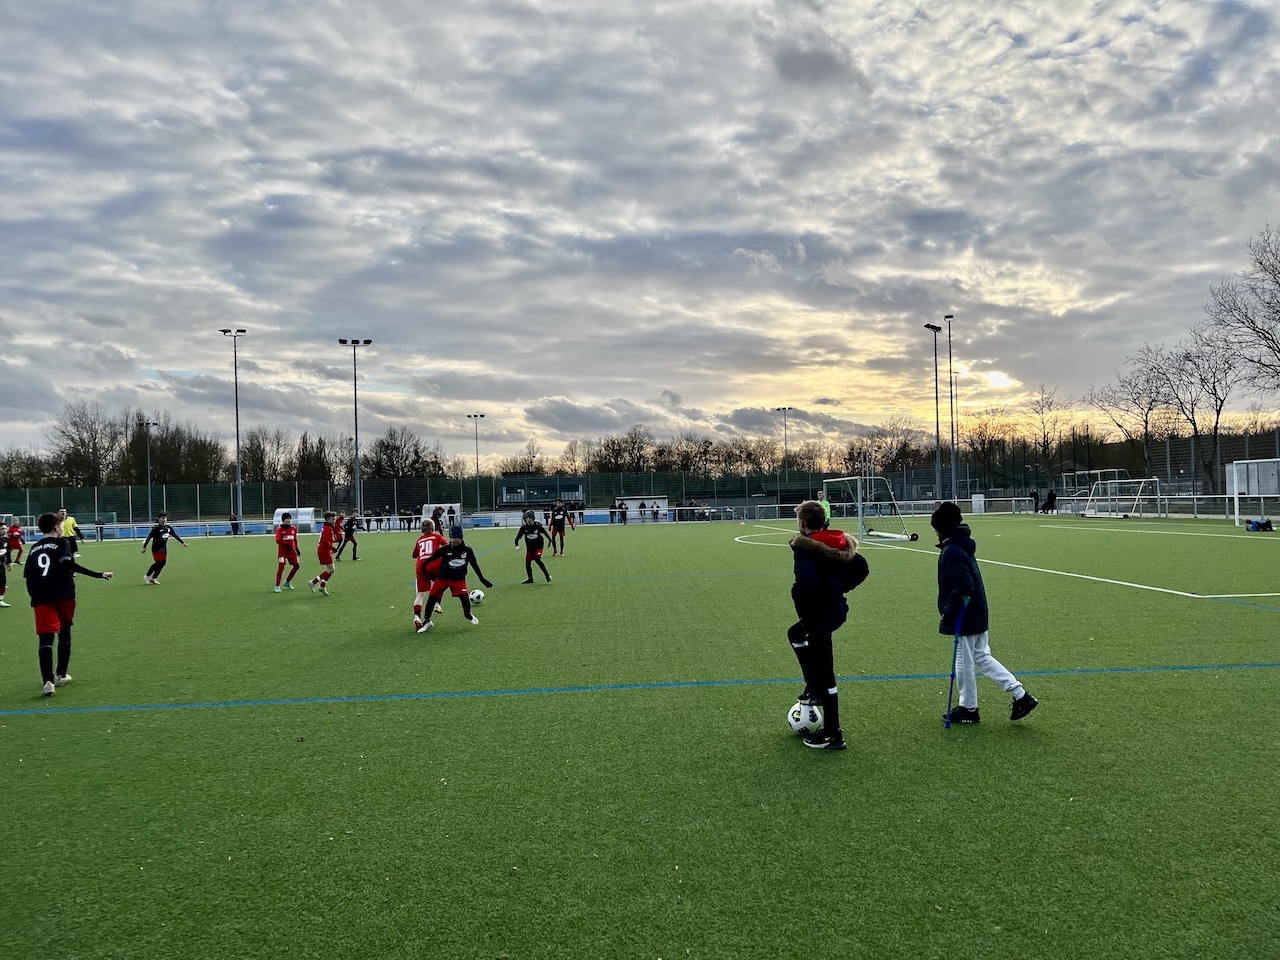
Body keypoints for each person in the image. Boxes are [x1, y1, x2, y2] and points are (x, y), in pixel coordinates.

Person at [931, 501, 1038, 724]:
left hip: (966, 614)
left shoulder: (952, 550)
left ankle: (968, 708)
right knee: (981, 656)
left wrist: (950, 613)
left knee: (964, 663)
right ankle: (1020, 695)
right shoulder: (961, 545)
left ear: (942, 528)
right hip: (976, 611)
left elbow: (963, 585)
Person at [787, 499, 860, 750]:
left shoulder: (805, 549)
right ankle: (814, 686)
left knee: (827, 673)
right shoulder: (835, 542)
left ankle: (833, 734)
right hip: (833, 610)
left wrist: (806, 596)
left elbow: (806, 581)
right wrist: (838, 589)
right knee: (795, 634)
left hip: (819, 615)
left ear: (803, 523)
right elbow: (861, 567)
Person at [24, 512, 113, 696]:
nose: (63, 527)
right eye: (61, 525)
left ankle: (48, 681)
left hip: (41, 598)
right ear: (56, 527)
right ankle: (61, 674)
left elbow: (28, 576)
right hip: (63, 595)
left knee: (45, 640)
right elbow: (66, 563)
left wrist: (34, 595)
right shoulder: (62, 543)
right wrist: (98, 574)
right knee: (64, 634)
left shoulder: (34, 548)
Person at [417, 526, 493, 632]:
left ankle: (468, 614)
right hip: (443, 578)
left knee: (464, 597)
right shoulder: (446, 549)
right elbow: (432, 558)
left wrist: (482, 579)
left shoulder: (467, 550)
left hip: (458, 579)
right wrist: (423, 567)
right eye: (452, 538)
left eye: (456, 539)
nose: (453, 541)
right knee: (432, 598)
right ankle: (427, 621)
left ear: (461, 538)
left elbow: (474, 564)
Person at [411, 519, 448, 630]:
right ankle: (437, 603)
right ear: (433, 528)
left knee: (420, 594)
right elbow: (447, 545)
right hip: (434, 564)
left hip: (421, 567)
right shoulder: (437, 537)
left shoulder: (419, 540)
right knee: (442, 583)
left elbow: (414, 555)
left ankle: (417, 616)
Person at [141, 512, 188, 584]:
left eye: (165, 518)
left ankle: (154, 578)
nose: (164, 519)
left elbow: (175, 535)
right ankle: (147, 576)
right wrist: (144, 547)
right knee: (158, 562)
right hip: (156, 548)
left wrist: (182, 543)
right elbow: (149, 537)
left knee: (163, 563)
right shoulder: (156, 528)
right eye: (162, 518)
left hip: (163, 548)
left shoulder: (168, 528)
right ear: (159, 519)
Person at [514, 509, 553, 584]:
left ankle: (547, 576)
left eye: (529, 518)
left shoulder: (537, 525)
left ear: (533, 518)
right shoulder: (524, 527)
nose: (528, 520)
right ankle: (530, 579)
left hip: (538, 546)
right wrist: (517, 545)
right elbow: (517, 538)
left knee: (537, 559)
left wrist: (549, 540)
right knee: (527, 563)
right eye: (526, 518)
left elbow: (544, 532)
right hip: (530, 548)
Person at [309, 511, 339, 595]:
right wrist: (332, 547)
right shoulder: (328, 528)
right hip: (324, 550)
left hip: (325, 549)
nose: (334, 521)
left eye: (334, 519)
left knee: (331, 569)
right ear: (327, 520)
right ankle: (313, 582)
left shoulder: (327, 527)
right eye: (332, 519)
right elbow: (325, 541)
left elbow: (327, 539)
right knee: (331, 569)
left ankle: (322, 586)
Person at [274, 512, 301, 592]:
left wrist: (296, 548)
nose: (289, 520)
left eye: (289, 518)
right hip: (282, 552)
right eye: (287, 518)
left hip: (292, 551)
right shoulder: (279, 529)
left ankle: (287, 582)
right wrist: (285, 544)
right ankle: (277, 586)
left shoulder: (293, 528)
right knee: (281, 567)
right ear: (283, 520)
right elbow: (278, 540)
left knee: (296, 566)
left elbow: (295, 539)